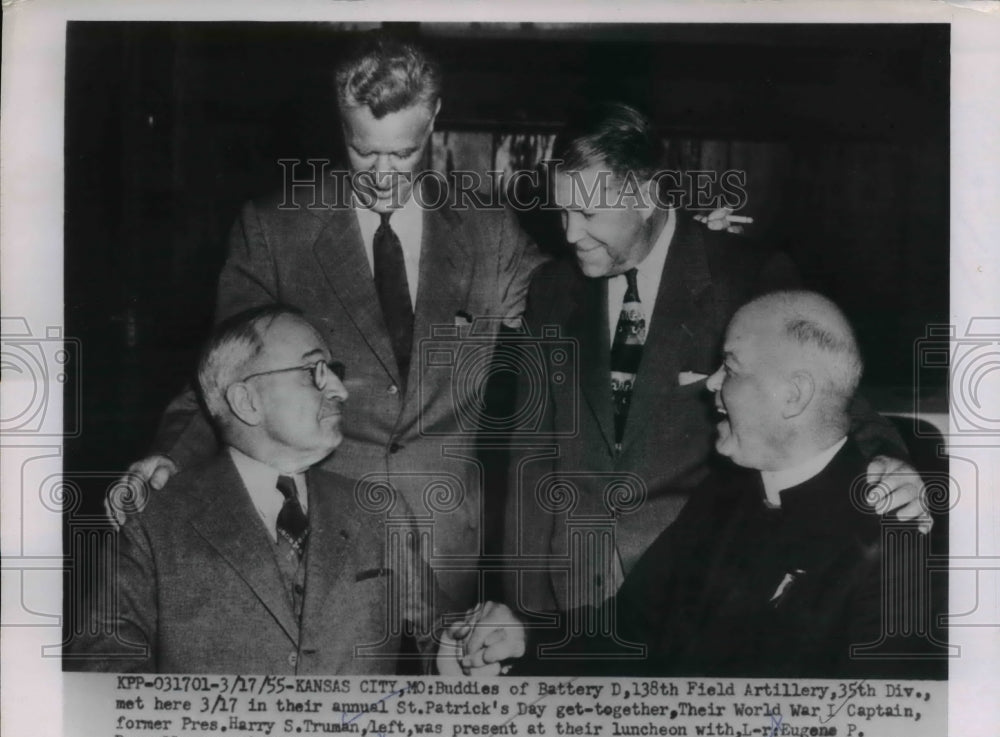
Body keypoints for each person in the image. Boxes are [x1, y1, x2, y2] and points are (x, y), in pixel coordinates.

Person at [108, 34, 547, 610]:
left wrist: (693, 241)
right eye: (365, 152)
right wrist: (169, 456)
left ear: (435, 116)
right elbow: (224, 376)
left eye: (405, 153)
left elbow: (575, 302)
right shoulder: (275, 231)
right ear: (337, 119)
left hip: (447, 543)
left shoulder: (490, 231)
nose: (384, 174)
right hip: (323, 542)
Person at [499, 102, 928, 615]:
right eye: (562, 211)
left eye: (588, 214)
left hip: (693, 594)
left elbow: (829, 398)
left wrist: (889, 462)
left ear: (648, 196)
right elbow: (530, 455)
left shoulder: (744, 277)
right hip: (568, 595)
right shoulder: (552, 289)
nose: (569, 234)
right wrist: (522, 603)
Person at [444, 291, 944, 679]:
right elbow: (627, 628)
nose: (710, 383)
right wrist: (527, 636)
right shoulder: (724, 492)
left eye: (731, 367)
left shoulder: (890, 546)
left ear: (793, 395)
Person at [70, 305, 445, 674]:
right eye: (312, 371)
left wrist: (474, 651)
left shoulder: (379, 513)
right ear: (246, 402)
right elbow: (103, 672)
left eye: (333, 370)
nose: (340, 390)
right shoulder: (155, 520)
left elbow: (444, 639)